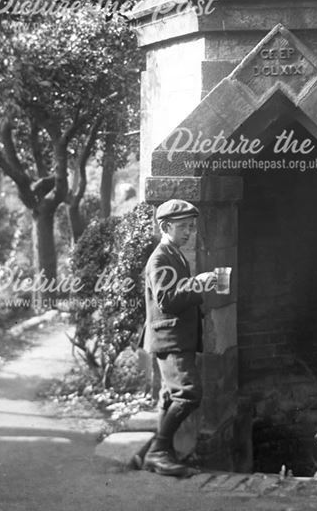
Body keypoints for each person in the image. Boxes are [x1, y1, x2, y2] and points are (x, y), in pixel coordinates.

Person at [140, 198, 215, 476]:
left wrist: (198, 283)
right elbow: (166, 300)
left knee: (172, 397)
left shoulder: (176, 255)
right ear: (165, 226)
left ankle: (159, 453)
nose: (188, 232)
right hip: (170, 340)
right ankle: (158, 451)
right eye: (182, 227)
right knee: (188, 394)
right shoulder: (160, 258)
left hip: (176, 338)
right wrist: (198, 284)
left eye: (191, 227)